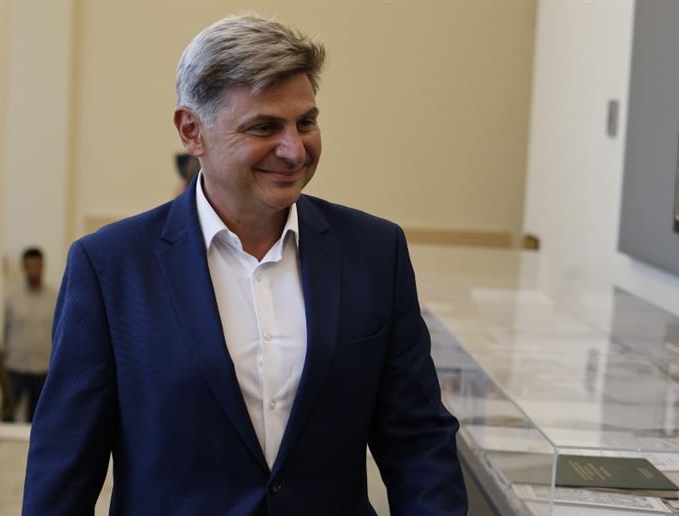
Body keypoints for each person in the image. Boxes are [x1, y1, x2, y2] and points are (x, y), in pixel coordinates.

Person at [23, 14, 466, 515]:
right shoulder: (110, 267)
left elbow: (417, 439)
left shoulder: (374, 252)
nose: (294, 150)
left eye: (306, 122)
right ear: (192, 130)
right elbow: (63, 468)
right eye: (264, 127)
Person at [1, 247, 57, 423]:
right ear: (23, 268)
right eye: (29, 267)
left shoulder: (54, 298)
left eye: (37, 267)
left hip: (43, 369)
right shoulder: (11, 297)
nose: (33, 272)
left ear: (43, 266)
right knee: (7, 416)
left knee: (38, 420)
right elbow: (3, 331)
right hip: (15, 368)